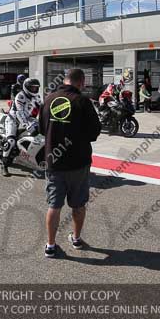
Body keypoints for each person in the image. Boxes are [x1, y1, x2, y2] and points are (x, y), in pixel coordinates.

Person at [39, 68, 101, 258]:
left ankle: (50, 245)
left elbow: (42, 128)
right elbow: (94, 132)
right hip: (78, 162)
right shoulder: (82, 101)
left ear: (65, 80)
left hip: (54, 162)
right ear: (81, 82)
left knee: (54, 205)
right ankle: (76, 238)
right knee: (78, 204)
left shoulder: (49, 99)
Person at [2, 77, 42, 177]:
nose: (34, 89)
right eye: (32, 88)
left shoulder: (37, 96)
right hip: (14, 119)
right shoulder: (20, 96)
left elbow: (43, 108)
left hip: (28, 118)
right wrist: (28, 126)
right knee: (11, 141)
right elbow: (19, 113)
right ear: (26, 87)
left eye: (36, 88)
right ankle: (4, 165)